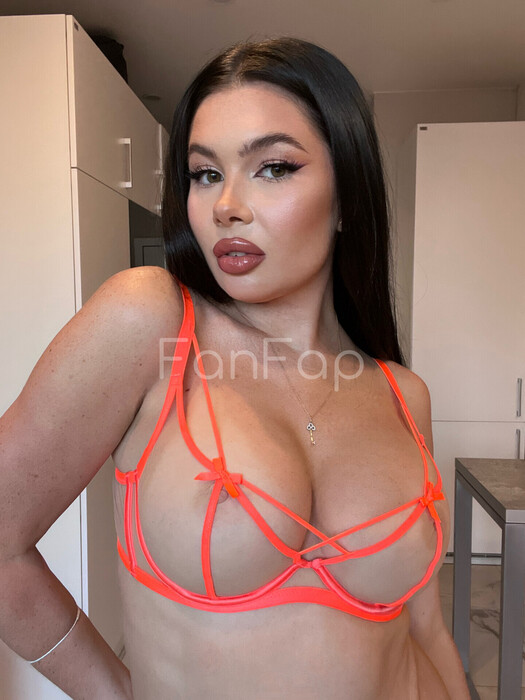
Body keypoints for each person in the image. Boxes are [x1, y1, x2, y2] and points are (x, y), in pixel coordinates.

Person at [0, 36, 470, 699]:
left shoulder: (402, 393)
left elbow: (426, 630)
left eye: (272, 167)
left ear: (346, 197)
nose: (226, 206)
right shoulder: (152, 322)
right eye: (205, 173)